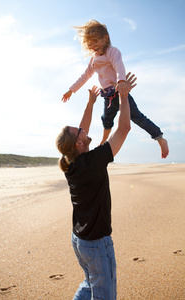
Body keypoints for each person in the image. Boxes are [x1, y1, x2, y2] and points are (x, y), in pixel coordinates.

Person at [56, 73, 136, 299]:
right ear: (79, 143)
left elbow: (82, 129)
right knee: (103, 295)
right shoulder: (92, 161)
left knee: (89, 284)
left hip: (79, 241)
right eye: (80, 132)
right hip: (96, 244)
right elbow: (124, 129)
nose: (84, 130)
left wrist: (90, 103)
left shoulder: (71, 162)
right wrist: (124, 95)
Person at [61, 19, 169, 159]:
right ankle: (104, 142)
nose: (93, 46)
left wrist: (122, 81)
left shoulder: (112, 52)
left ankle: (160, 138)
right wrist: (72, 90)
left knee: (137, 117)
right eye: (90, 44)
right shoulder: (93, 60)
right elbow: (85, 76)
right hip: (107, 96)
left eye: (96, 41)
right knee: (106, 120)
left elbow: (119, 66)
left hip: (119, 91)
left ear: (105, 38)